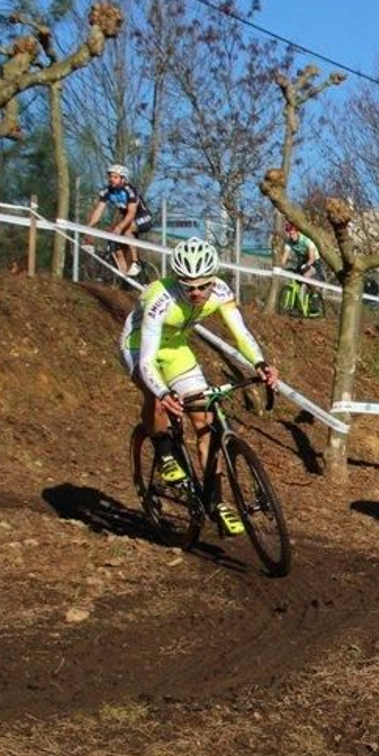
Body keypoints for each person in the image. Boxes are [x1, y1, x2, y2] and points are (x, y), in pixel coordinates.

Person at [119, 237, 278, 535]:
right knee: (155, 397)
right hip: (140, 347)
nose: (196, 292)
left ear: (213, 279)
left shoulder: (221, 292)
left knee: (204, 420)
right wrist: (165, 393)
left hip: (176, 347)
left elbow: (241, 333)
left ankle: (216, 501)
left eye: (202, 285)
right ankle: (165, 453)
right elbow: (148, 362)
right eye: (188, 286)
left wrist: (260, 364)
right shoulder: (160, 299)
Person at [85, 164, 152, 279]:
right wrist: (89, 229)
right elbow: (98, 211)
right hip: (127, 219)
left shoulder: (129, 191)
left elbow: (131, 213)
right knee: (117, 249)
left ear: (123, 179)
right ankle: (124, 278)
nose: (111, 179)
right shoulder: (107, 191)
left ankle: (136, 262)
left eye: (115, 177)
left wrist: (119, 227)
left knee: (125, 229)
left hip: (143, 217)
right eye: (110, 176)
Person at [278, 221, 325, 316]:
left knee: (306, 275)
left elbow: (311, 257)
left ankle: (315, 296)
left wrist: (307, 265)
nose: (292, 236)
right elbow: (284, 257)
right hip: (302, 261)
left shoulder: (306, 240)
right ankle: (296, 305)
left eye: (293, 234)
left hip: (314, 261)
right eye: (290, 234)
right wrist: (280, 267)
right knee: (296, 280)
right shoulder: (289, 242)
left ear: (298, 232)